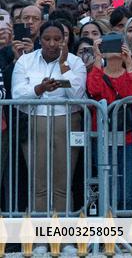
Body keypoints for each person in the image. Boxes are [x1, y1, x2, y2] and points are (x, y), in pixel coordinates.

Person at [12, 21, 87, 213]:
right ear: (39, 40)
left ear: (64, 41)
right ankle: (40, 239)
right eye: (47, 39)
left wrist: (63, 65)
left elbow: (76, 95)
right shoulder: (25, 61)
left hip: (67, 121)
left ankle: (63, 239)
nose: (52, 44)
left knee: (63, 182)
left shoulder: (75, 61)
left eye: (57, 39)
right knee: (38, 183)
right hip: (34, 121)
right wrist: (40, 88)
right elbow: (18, 94)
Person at [86, 32, 132, 210]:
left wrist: (129, 63)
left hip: (130, 136)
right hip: (103, 136)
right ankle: (107, 227)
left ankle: (123, 229)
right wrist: (97, 57)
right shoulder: (98, 72)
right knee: (106, 183)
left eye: (117, 44)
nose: (113, 48)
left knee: (127, 185)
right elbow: (93, 90)